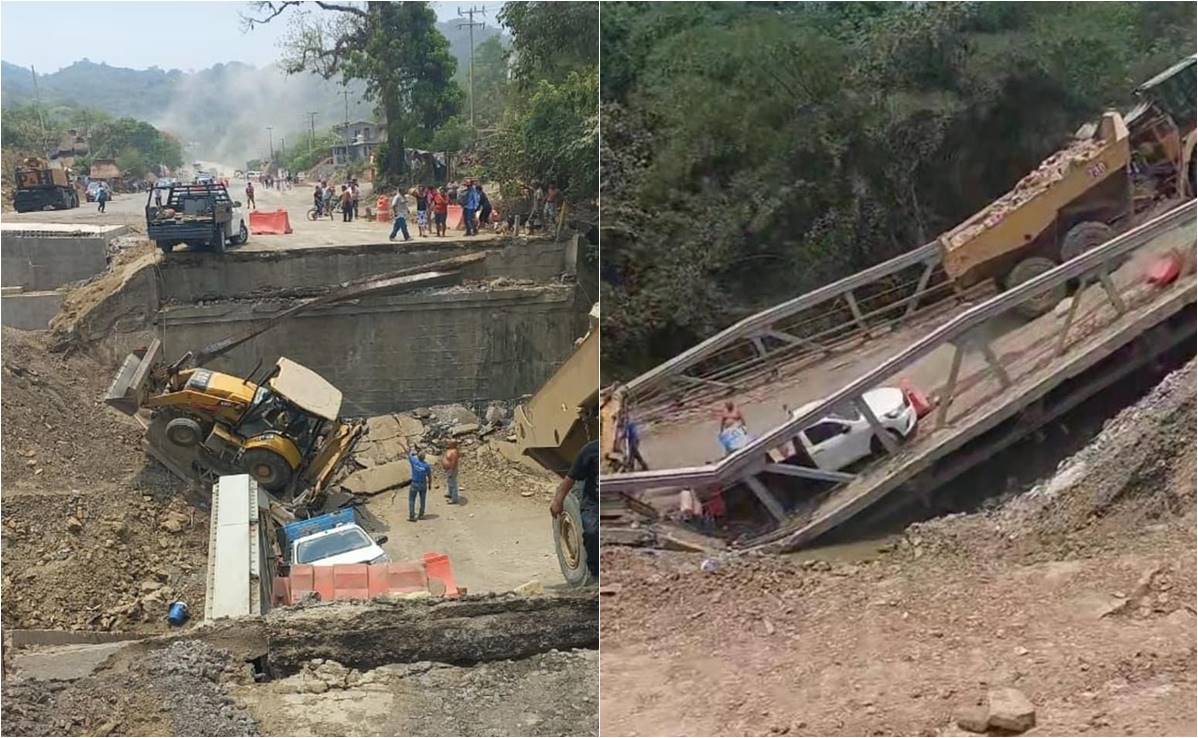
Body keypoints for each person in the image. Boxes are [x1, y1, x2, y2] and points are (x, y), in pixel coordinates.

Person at [550, 439, 598, 580]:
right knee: (592, 533)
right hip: (594, 502)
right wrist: (558, 500)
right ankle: (596, 574)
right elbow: (570, 478)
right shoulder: (590, 450)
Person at [407, 448, 432, 522]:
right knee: (422, 500)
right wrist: (430, 484)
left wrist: (403, 446)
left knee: (412, 500)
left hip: (414, 483)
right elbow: (429, 476)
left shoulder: (414, 462)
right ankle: (421, 515)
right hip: (423, 484)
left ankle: (412, 516)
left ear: (418, 456)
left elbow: (408, 453)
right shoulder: (426, 466)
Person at [441, 440, 461, 504]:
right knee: (449, 481)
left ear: (453, 444)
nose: (448, 443)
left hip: (451, 469)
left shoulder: (454, 452)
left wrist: (451, 470)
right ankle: (450, 493)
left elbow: (454, 462)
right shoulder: (450, 449)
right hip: (448, 469)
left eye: (449, 442)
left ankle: (454, 498)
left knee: (453, 483)